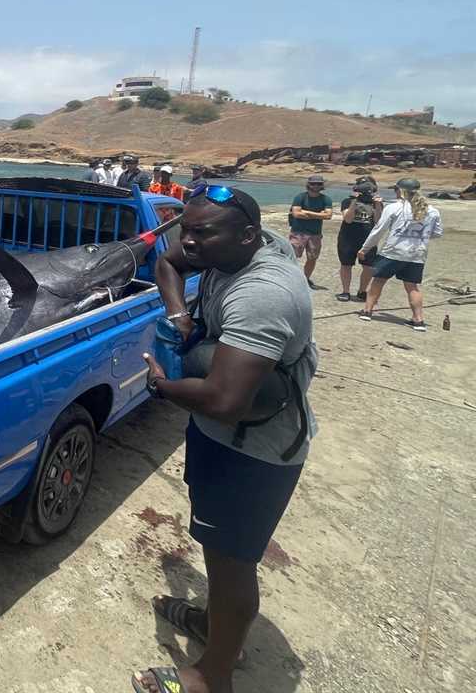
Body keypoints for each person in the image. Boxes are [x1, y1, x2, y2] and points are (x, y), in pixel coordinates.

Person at [135, 183, 316, 693]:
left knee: (231, 561)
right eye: (185, 229)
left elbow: (223, 400)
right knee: (213, 541)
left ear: (248, 237)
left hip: (254, 449)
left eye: (201, 234)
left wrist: (163, 386)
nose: (188, 243)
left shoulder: (264, 293)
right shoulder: (228, 243)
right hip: (221, 436)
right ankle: (216, 627)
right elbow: (167, 263)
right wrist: (180, 314)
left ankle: (212, 675)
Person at [357, 177, 444, 331]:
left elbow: (379, 230)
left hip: (393, 252)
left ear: (401, 191)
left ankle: (367, 311)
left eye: (396, 189)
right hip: (417, 254)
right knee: (412, 287)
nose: (395, 192)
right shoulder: (432, 210)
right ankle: (418, 320)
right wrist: (419, 235)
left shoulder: (394, 207)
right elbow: (437, 233)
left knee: (378, 281)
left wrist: (365, 248)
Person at [335, 177, 382, 302]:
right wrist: (354, 202)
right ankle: (346, 291)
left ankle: (362, 291)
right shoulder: (347, 201)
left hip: (368, 240)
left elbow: (378, 222)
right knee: (346, 265)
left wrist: (377, 204)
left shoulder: (376, 203)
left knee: (369, 267)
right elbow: (348, 219)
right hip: (348, 238)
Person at [287, 175, 332, 288]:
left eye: (318, 184)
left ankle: (305, 279)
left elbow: (328, 216)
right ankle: (290, 278)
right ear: (308, 184)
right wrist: (319, 214)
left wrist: (308, 213)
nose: (316, 186)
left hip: (315, 233)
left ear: (322, 185)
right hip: (298, 232)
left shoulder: (325, 199)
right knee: (292, 256)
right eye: (313, 184)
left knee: (312, 258)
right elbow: (296, 213)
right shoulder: (300, 197)